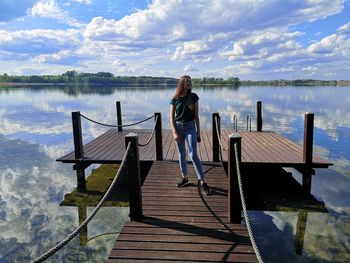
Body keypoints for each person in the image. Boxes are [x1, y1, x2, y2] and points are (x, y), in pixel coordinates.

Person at [170, 75, 210, 195]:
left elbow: (196, 116)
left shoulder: (194, 97)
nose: (190, 83)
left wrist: (198, 131)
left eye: (190, 81)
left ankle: (203, 181)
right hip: (178, 127)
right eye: (187, 82)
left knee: (193, 155)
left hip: (190, 127)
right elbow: (171, 117)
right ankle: (185, 178)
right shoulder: (175, 98)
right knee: (182, 154)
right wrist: (174, 132)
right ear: (182, 83)